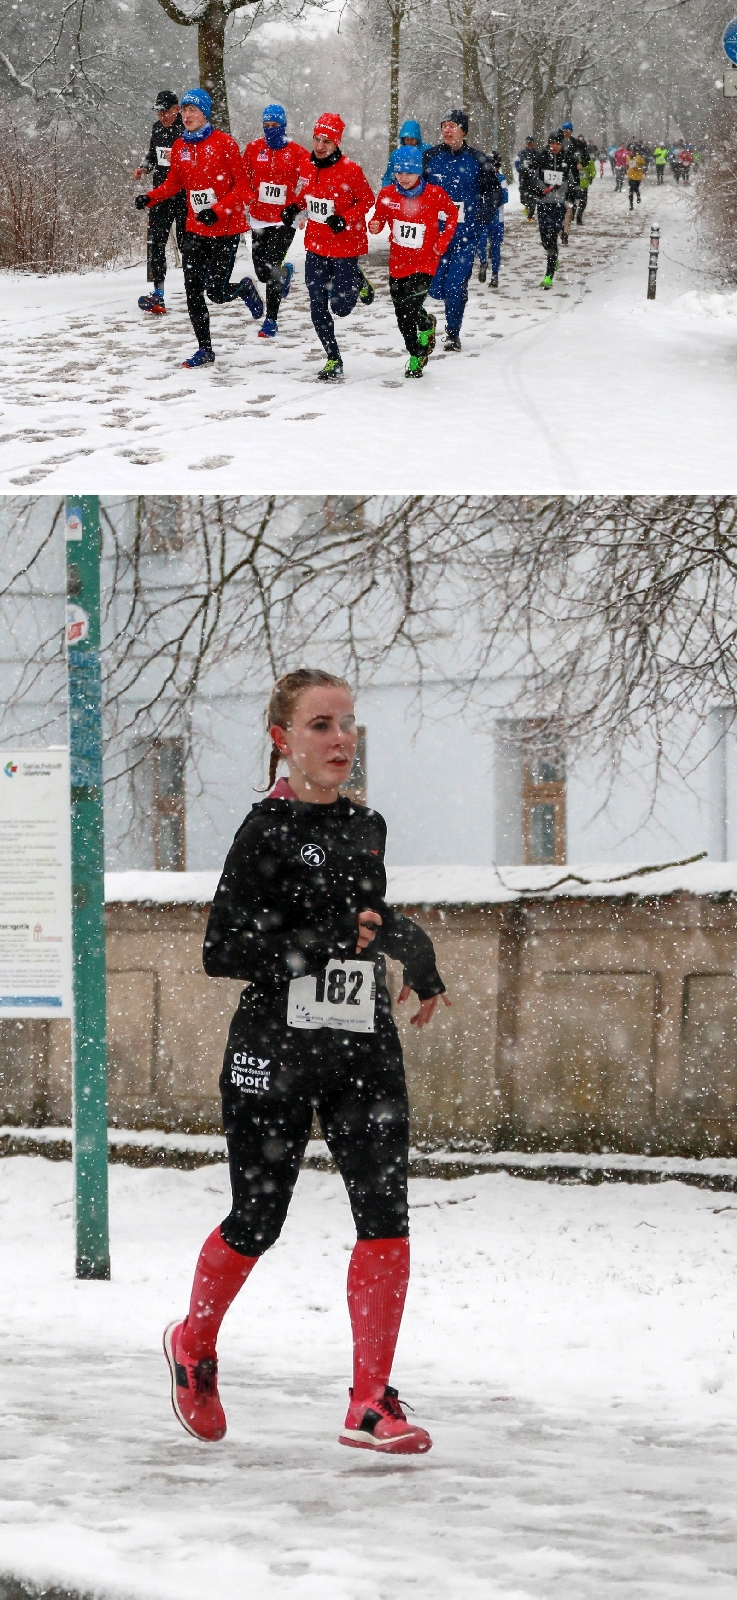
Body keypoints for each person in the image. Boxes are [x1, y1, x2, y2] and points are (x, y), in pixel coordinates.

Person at [162, 668, 450, 1455]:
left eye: (348, 723)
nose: (341, 740)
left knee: (385, 1215)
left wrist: (413, 956)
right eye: (321, 725)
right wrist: (319, 946)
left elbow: (364, 918)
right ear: (282, 739)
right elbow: (221, 949)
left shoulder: (367, 826)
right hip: (275, 1053)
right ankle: (193, 1345)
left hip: (361, 1049)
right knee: (259, 1220)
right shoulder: (265, 832)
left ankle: (368, 1402)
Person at [135, 88, 263, 369]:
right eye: (185, 110)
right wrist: (151, 196)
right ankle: (205, 349)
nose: (187, 115)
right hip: (195, 230)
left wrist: (216, 211)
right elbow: (174, 184)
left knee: (215, 292)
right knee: (193, 291)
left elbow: (244, 190)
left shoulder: (225, 144)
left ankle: (243, 289)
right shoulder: (180, 146)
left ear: (205, 113)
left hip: (225, 230)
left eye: (193, 110)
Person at [286, 113, 375, 382]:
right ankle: (333, 357)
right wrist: (295, 206)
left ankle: (357, 279)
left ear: (336, 142)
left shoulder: (351, 170)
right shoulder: (306, 165)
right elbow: (306, 194)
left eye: (327, 140)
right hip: (315, 245)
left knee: (341, 308)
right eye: (317, 139)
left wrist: (344, 219)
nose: (321, 146)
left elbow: (367, 200)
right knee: (317, 304)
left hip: (346, 246)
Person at [369, 145, 458, 377]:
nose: (403, 178)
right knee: (402, 313)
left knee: (408, 309)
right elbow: (378, 217)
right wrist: (375, 224)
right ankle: (426, 325)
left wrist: (443, 240)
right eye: (399, 172)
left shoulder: (435, 194)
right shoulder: (388, 194)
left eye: (409, 172)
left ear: (419, 172)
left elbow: (452, 214)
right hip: (398, 263)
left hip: (425, 262)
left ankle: (416, 355)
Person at [423, 109, 502, 351]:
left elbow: (495, 193)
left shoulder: (478, 160)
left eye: (452, 125)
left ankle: (452, 333)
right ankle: (441, 315)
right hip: (435, 238)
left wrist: (481, 217)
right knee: (435, 289)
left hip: (465, 237)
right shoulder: (430, 157)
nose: (447, 130)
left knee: (454, 286)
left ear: (463, 131)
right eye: (444, 125)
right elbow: (414, 188)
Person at [241, 104, 311, 339]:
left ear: (283, 126)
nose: (271, 130)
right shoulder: (253, 149)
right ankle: (286, 272)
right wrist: (249, 198)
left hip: (284, 220)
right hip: (259, 218)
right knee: (261, 273)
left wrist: (301, 212)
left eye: (275, 126)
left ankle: (271, 321)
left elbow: (310, 185)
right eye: (266, 126)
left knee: (270, 268)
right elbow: (243, 178)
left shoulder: (298, 152)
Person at [133, 91, 186, 315]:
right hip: (161, 195)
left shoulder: (187, 130)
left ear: (176, 108)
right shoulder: (156, 128)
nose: (162, 115)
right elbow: (153, 154)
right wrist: (144, 167)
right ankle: (159, 294)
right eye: (159, 111)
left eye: (166, 110)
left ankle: (199, 287)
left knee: (187, 246)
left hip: (184, 196)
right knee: (156, 245)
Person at [530, 130, 577, 289]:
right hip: (543, 202)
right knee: (545, 237)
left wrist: (569, 197)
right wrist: (537, 191)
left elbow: (573, 180)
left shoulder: (567, 158)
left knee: (553, 236)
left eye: (558, 143)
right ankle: (553, 255)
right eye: (552, 143)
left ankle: (549, 275)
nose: (555, 146)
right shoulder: (541, 157)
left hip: (559, 204)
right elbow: (533, 177)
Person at [476, 151, 507, 285]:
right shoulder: (480, 178)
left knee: (495, 247)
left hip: (496, 219)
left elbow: (505, 197)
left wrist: (492, 203)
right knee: (480, 244)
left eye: (494, 165)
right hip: (482, 218)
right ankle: (483, 263)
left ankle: (495, 275)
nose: (491, 167)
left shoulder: (501, 179)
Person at [381, 118, 432, 188]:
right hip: (401, 191)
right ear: (403, 139)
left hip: (423, 191)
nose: (409, 142)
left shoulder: (428, 151)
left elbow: (433, 175)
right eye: (407, 139)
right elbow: (388, 177)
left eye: (412, 139)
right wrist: (386, 192)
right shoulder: (396, 154)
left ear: (418, 138)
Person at [559, 122, 588, 245]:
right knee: (559, 206)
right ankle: (560, 227)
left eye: (568, 131)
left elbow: (586, 158)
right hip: (559, 179)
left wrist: (581, 163)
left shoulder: (578, 144)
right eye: (564, 130)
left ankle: (565, 232)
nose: (566, 133)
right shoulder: (556, 142)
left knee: (569, 206)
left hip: (573, 179)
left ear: (571, 131)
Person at [516, 136, 538, 220]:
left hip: (533, 180)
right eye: (527, 143)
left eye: (530, 143)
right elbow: (516, 163)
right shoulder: (521, 153)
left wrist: (534, 170)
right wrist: (521, 169)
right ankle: (527, 206)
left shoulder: (536, 154)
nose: (529, 145)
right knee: (523, 198)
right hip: (523, 179)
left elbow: (539, 164)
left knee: (533, 199)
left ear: (533, 144)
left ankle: (530, 216)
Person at [574, 147, 596, 225]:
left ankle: (579, 217)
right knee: (574, 201)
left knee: (583, 202)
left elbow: (593, 171)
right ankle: (572, 215)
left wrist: (590, 176)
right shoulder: (575, 158)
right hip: (574, 183)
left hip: (584, 184)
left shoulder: (589, 159)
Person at [627, 143, 646, 208]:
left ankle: (638, 196)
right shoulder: (628, 157)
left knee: (636, 189)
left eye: (632, 151)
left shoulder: (639, 158)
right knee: (631, 191)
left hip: (638, 177)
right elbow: (628, 165)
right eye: (630, 151)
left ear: (635, 151)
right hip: (630, 177)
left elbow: (644, 166)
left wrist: (638, 168)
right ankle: (631, 205)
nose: (631, 152)